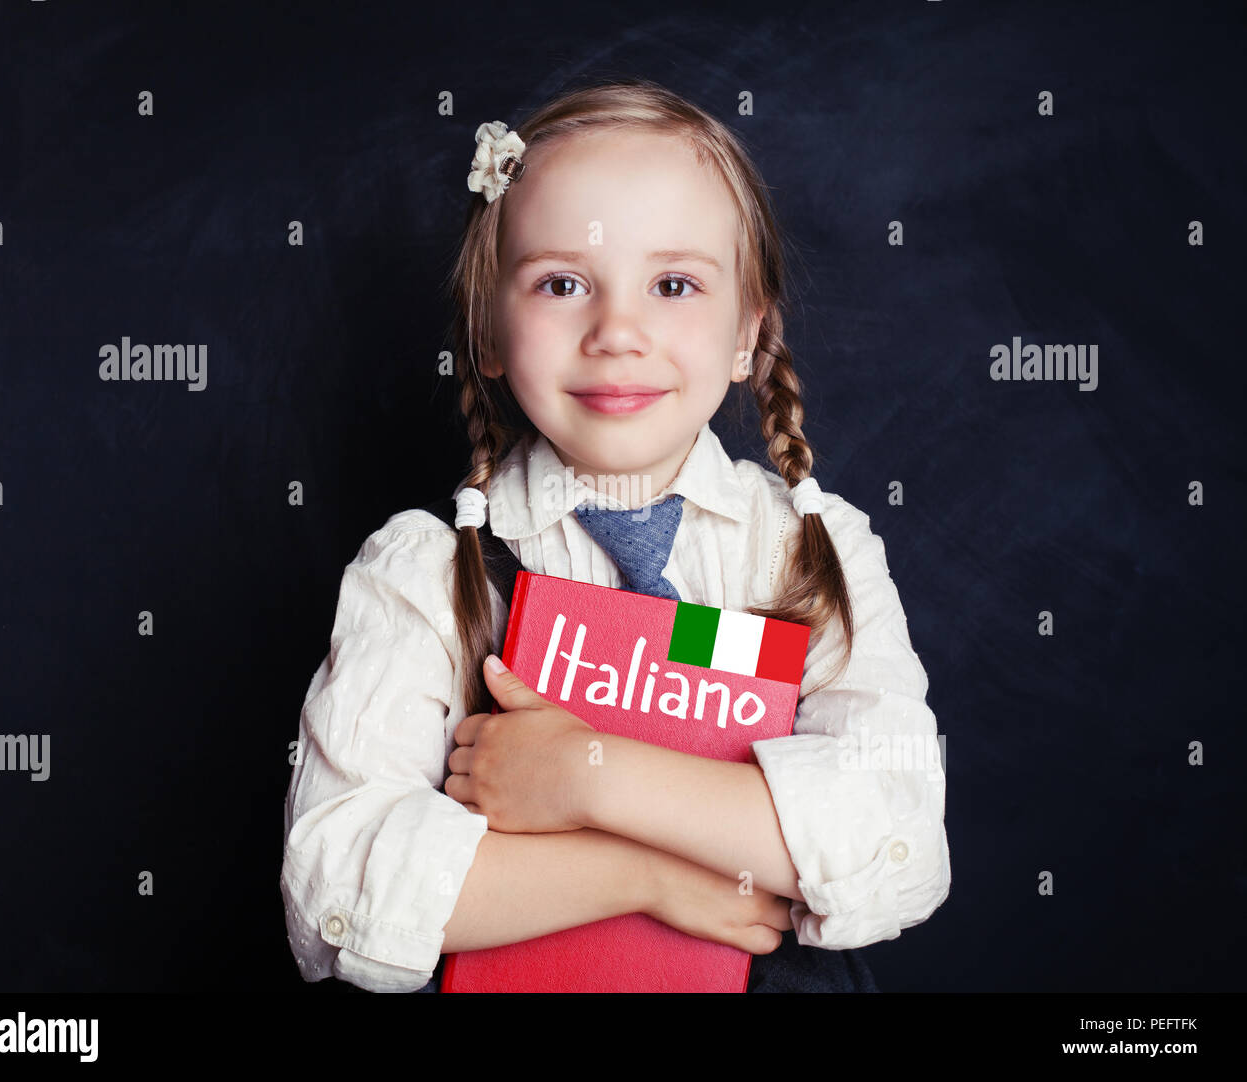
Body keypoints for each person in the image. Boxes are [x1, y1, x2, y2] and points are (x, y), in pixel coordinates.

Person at [280, 77, 950, 993]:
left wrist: (586, 778)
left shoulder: (813, 553)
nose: (618, 331)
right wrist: (651, 876)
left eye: (674, 284)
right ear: (488, 329)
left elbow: (896, 838)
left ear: (748, 329)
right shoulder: (429, 575)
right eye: (562, 283)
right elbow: (334, 891)